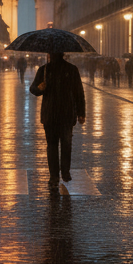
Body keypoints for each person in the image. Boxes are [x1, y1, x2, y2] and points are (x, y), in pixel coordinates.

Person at [30, 51, 86, 187]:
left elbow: (32, 89)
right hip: (66, 114)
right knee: (66, 145)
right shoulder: (69, 69)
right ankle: (64, 173)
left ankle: (54, 176)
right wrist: (81, 113)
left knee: (52, 146)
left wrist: (39, 88)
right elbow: (79, 92)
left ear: (50, 55)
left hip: (51, 114)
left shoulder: (45, 69)